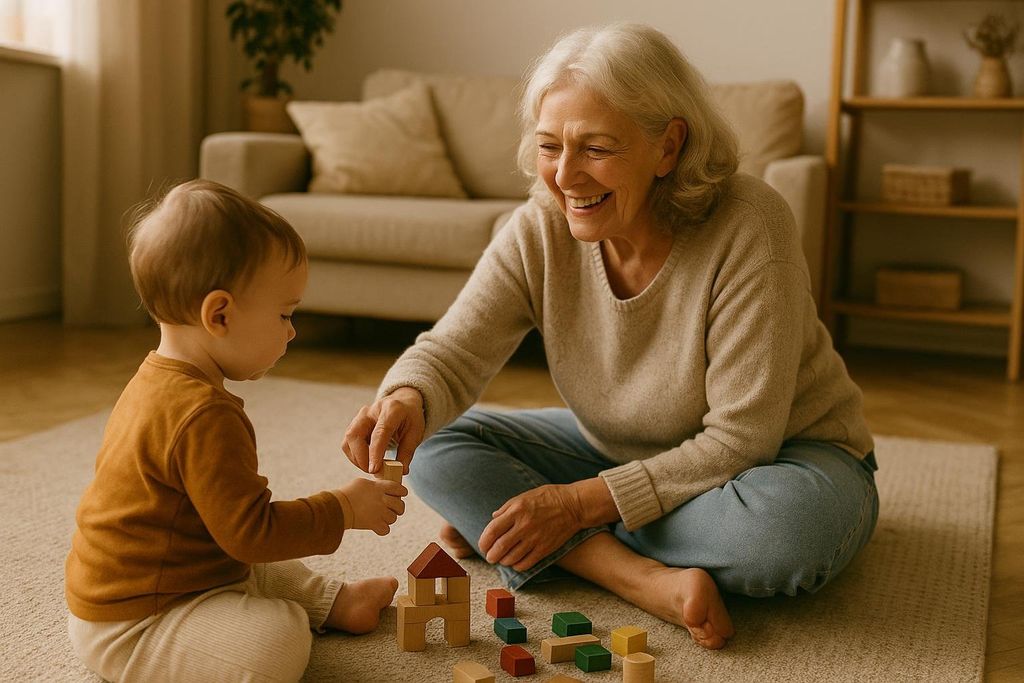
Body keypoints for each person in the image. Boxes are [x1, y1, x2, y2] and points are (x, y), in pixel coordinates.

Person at [343, 23, 878, 651]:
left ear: (669, 147)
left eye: (596, 148)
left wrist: (571, 507)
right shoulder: (538, 229)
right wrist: (406, 397)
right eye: (549, 146)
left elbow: (743, 438)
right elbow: (453, 350)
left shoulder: (750, 223)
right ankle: (640, 579)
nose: (566, 175)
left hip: (785, 458)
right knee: (436, 445)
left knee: (786, 536)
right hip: (618, 453)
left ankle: (547, 540)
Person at [65, 179, 408, 681]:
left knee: (266, 566)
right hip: (136, 623)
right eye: (285, 314)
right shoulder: (203, 414)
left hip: (174, 577)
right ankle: (301, 616)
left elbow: (237, 534)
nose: (292, 330)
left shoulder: (158, 378)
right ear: (219, 314)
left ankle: (336, 603)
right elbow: (251, 534)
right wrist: (344, 507)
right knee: (275, 640)